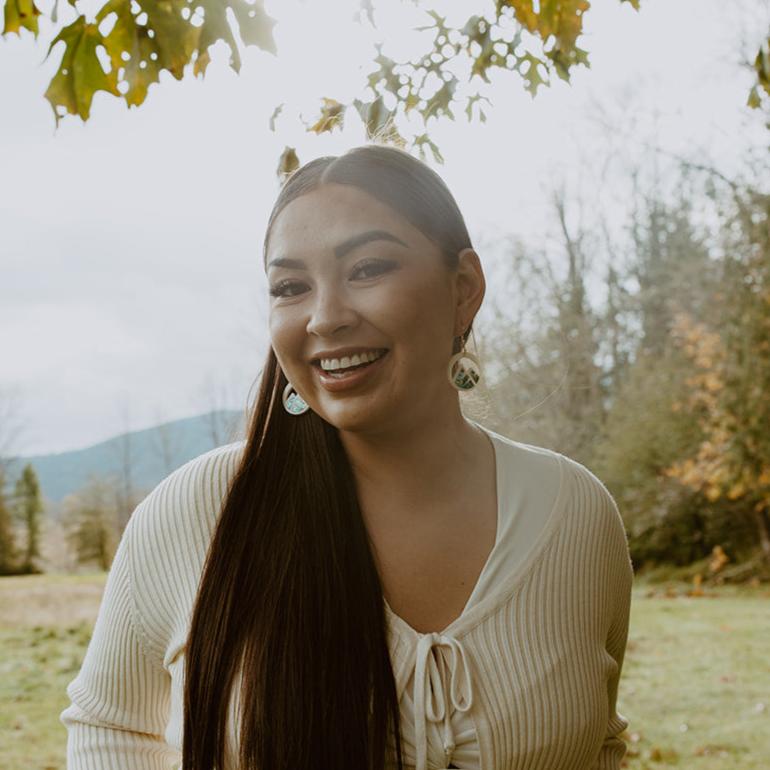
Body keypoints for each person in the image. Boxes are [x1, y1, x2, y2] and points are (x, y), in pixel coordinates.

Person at [60, 143, 634, 770]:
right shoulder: (195, 511)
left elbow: (598, 744)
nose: (324, 318)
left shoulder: (577, 514)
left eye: (367, 269)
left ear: (464, 289)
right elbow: (111, 731)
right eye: (290, 287)